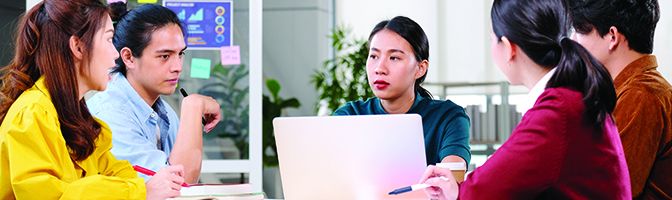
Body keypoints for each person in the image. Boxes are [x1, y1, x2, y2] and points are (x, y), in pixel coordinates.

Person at [419, 0, 631, 199]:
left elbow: (487, 189)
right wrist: (457, 189)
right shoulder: (571, 95)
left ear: (508, 47)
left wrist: (459, 190)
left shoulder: (557, 110)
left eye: (492, 38)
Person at [0, 0, 184, 199]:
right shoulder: (33, 113)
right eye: (108, 39)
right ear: (78, 47)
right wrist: (140, 191)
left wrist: (135, 189)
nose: (115, 55)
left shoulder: (77, 116)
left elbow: (118, 172)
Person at [86, 2, 222, 184]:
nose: (178, 67)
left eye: (180, 54)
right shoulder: (109, 116)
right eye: (164, 56)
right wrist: (193, 106)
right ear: (128, 57)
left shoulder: (164, 112)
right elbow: (180, 185)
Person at [333, 16, 471, 168]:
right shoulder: (348, 117)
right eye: (373, 56)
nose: (379, 68)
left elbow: (451, 180)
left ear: (420, 68)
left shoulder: (448, 117)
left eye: (394, 58)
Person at [568, 0, 672, 198]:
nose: (573, 41)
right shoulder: (634, 90)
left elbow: (605, 190)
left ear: (612, 36)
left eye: (579, 31)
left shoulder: (640, 95)